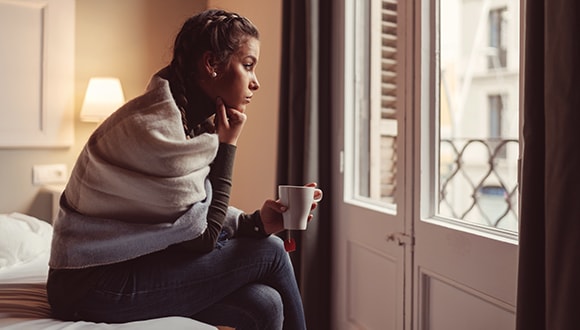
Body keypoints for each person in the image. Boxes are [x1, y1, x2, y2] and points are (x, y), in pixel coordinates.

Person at [46, 9, 319, 330]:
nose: (256, 82)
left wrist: (256, 223)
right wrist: (227, 146)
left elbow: (187, 212)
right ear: (211, 64)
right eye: (248, 66)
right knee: (272, 252)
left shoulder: (185, 120)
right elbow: (201, 237)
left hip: (126, 267)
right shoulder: (154, 129)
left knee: (265, 304)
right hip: (89, 284)